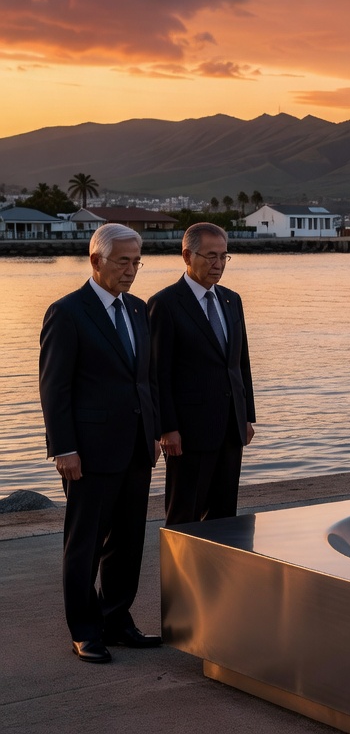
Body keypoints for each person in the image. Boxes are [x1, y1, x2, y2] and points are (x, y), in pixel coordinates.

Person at [38, 222, 162, 663]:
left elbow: (145, 381)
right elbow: (55, 388)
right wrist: (63, 448)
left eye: (136, 262)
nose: (131, 271)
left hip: (135, 447)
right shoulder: (67, 312)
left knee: (128, 541)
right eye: (122, 262)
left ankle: (116, 619)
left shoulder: (138, 310)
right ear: (96, 261)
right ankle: (85, 630)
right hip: (88, 451)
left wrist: (154, 432)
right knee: (85, 544)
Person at [148, 222, 256, 525]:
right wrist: (166, 429)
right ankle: (181, 574)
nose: (218, 264)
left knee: (225, 516)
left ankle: (217, 573)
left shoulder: (231, 299)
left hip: (231, 428)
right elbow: (158, 373)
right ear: (187, 255)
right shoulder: (164, 304)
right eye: (210, 256)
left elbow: (240, 363)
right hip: (188, 432)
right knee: (185, 515)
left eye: (223, 256)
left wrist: (246, 415)